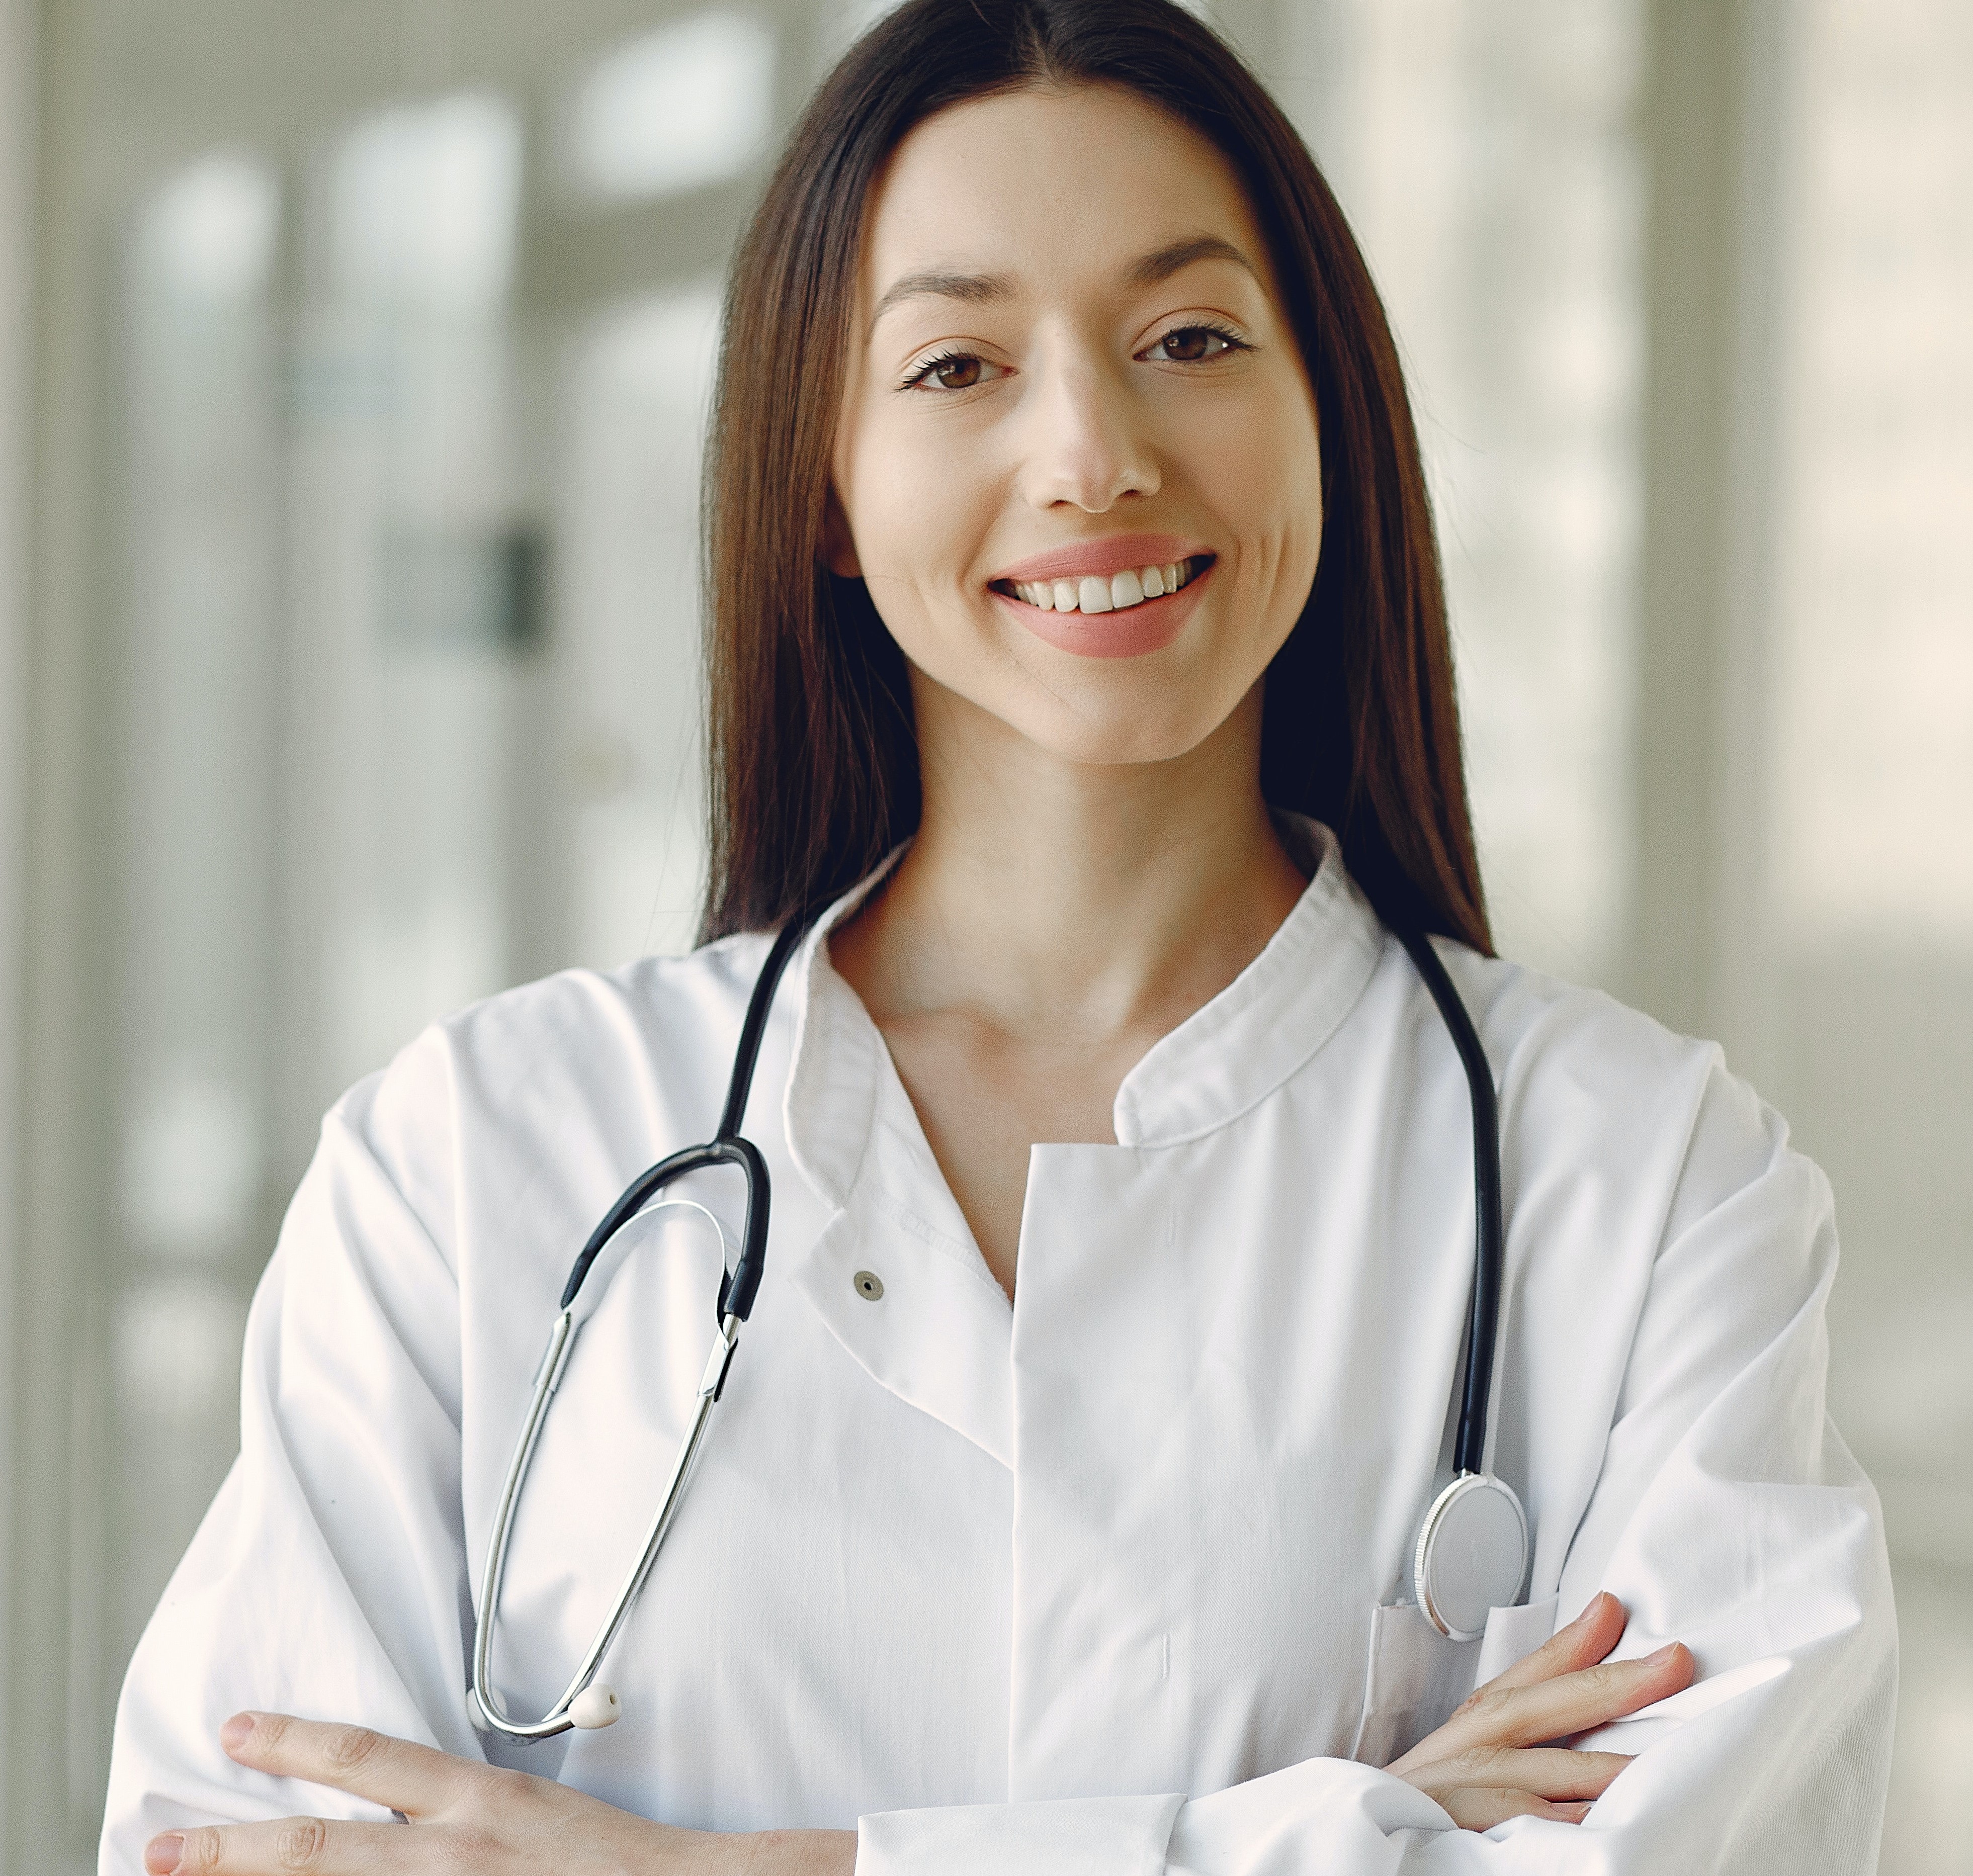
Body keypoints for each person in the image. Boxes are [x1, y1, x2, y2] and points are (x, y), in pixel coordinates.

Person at [101, 1, 1897, 1870]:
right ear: (824, 488)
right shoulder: (477, 1161)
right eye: (956, 365)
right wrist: (1358, 1831)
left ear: (1327, 418)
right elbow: (232, 1841)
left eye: (1189, 338)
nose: (1091, 454)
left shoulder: (1646, 1181)